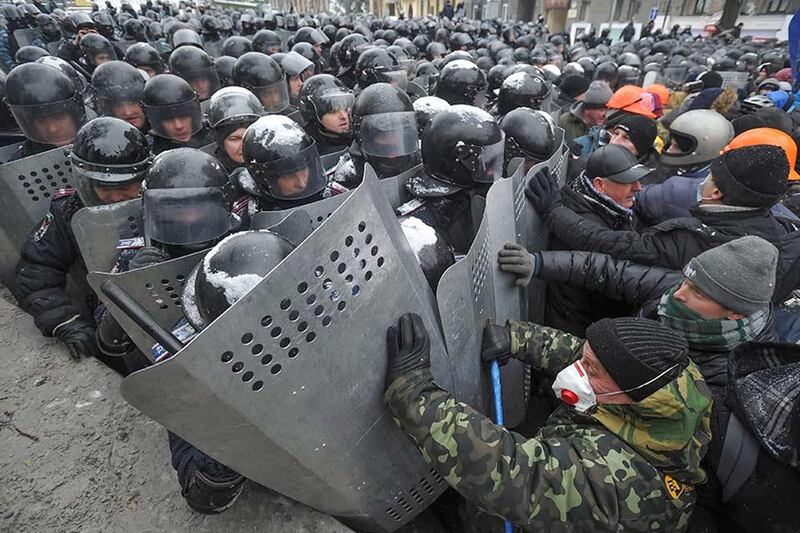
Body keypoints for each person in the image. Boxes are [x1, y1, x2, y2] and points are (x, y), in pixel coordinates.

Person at [501, 235, 800, 533]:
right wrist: (539, 264)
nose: (678, 293)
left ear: (734, 313)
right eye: (685, 280)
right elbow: (610, 273)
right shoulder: (678, 295)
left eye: (696, 291)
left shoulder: (724, 387)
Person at [384, 313, 712, 531]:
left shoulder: (612, 481)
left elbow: (510, 472)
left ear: (628, 393)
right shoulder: (672, 386)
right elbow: (593, 359)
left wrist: (415, 393)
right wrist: (518, 339)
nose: (577, 370)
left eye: (591, 370)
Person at [525, 144, 800, 306]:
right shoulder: (782, 230)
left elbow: (610, 250)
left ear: (717, 193)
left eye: (711, 178)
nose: (704, 182)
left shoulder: (697, 239)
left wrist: (553, 211)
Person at [15, 117, 150, 373]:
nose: (119, 197)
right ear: (87, 182)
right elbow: (36, 271)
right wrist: (66, 321)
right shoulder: (68, 211)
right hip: (110, 312)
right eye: (107, 188)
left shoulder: (165, 196)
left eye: (128, 186)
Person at [542, 144, 649, 335]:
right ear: (600, 185)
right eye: (628, 182)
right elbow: (610, 288)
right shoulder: (586, 221)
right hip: (578, 330)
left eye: (638, 180)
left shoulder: (612, 209)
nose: (638, 188)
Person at [401, 105, 504, 255]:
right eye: (485, 161)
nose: (490, 169)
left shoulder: (491, 195)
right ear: (462, 158)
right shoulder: (417, 223)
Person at [4, 62, 86, 160]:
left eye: (59, 117)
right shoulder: (21, 162)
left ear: (75, 114)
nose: (53, 129)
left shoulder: (99, 138)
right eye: (41, 120)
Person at [141, 73, 212, 154]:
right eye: (168, 120)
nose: (179, 126)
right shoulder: (148, 151)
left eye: (184, 116)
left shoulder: (216, 136)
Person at [206, 86, 264, 173]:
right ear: (221, 142)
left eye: (250, 136)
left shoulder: (275, 161)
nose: (244, 146)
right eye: (235, 139)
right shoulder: (213, 173)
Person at [299, 74, 354, 155]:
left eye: (345, 109)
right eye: (333, 112)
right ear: (313, 114)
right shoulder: (305, 149)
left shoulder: (359, 140)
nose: (344, 116)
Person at [91, 60, 147, 131]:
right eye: (117, 105)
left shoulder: (164, 125)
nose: (128, 112)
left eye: (132, 102)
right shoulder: (100, 133)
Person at [558, 80, 612, 145]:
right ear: (587, 109)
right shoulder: (567, 122)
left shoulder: (611, 125)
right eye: (601, 110)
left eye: (609, 110)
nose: (605, 115)